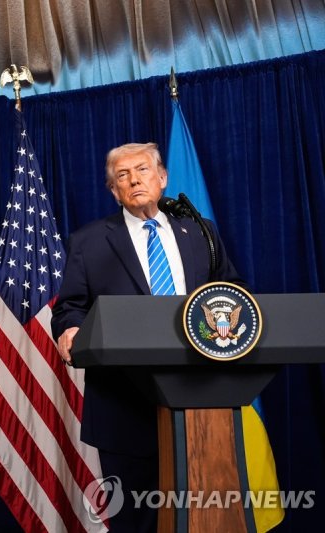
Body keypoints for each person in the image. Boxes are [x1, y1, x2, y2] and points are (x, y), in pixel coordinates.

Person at [51, 143, 245, 532]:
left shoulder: (200, 232)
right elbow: (70, 307)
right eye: (122, 175)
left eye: (142, 170)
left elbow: (230, 290)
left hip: (202, 397)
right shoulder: (89, 241)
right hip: (124, 403)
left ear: (162, 178)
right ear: (113, 190)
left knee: (206, 515)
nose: (134, 180)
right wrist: (70, 328)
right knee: (138, 518)